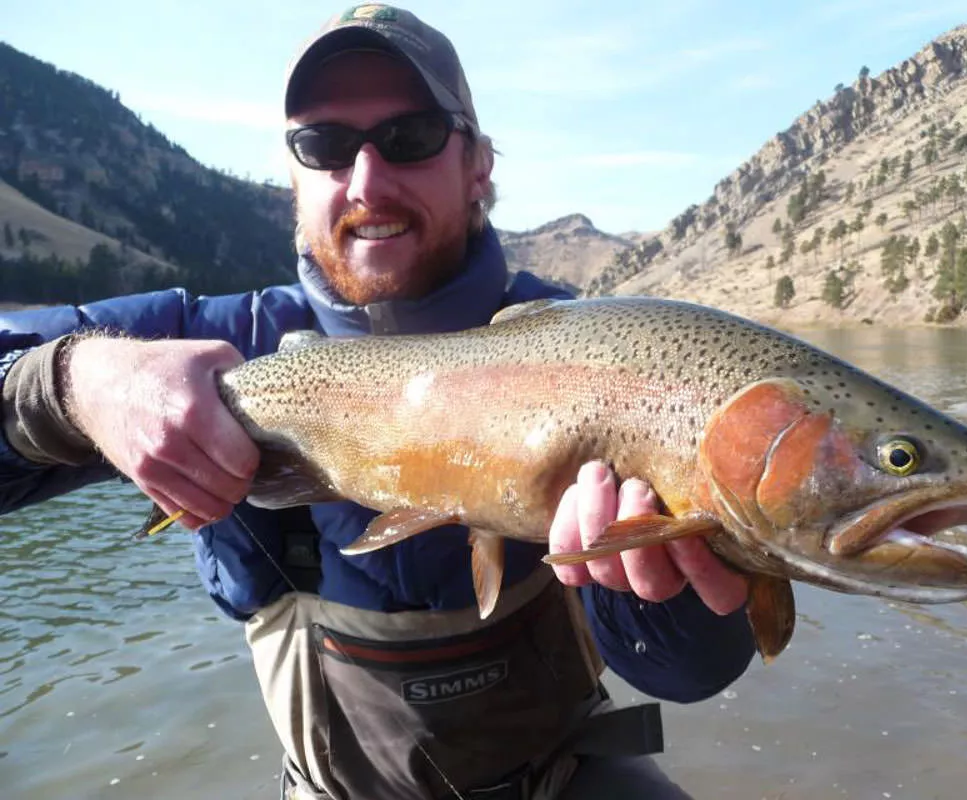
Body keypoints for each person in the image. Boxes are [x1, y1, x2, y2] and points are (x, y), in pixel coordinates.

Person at [0, 5, 756, 799]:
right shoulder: (203, 346)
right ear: (290, 173)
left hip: (566, 774)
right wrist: (72, 385)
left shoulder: (600, 356)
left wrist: (658, 591)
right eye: (323, 145)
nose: (367, 181)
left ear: (478, 167)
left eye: (412, 137)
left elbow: (684, 673)